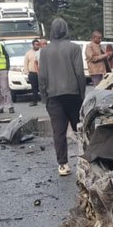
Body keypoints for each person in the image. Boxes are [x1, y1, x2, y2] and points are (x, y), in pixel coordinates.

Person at [38, 17, 86, 176]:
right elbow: (79, 73)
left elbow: (42, 76)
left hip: (53, 97)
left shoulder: (44, 51)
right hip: (73, 95)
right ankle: (85, 160)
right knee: (80, 129)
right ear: (66, 29)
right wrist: (82, 94)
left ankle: (63, 165)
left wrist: (44, 97)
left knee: (58, 132)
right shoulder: (75, 48)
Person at [23, 38, 41, 105]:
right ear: (33, 45)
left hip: (41, 72)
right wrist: (27, 72)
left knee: (43, 87)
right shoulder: (28, 53)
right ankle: (34, 101)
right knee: (34, 88)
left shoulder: (41, 52)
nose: (37, 46)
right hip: (32, 73)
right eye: (36, 44)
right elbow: (25, 63)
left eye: (38, 44)